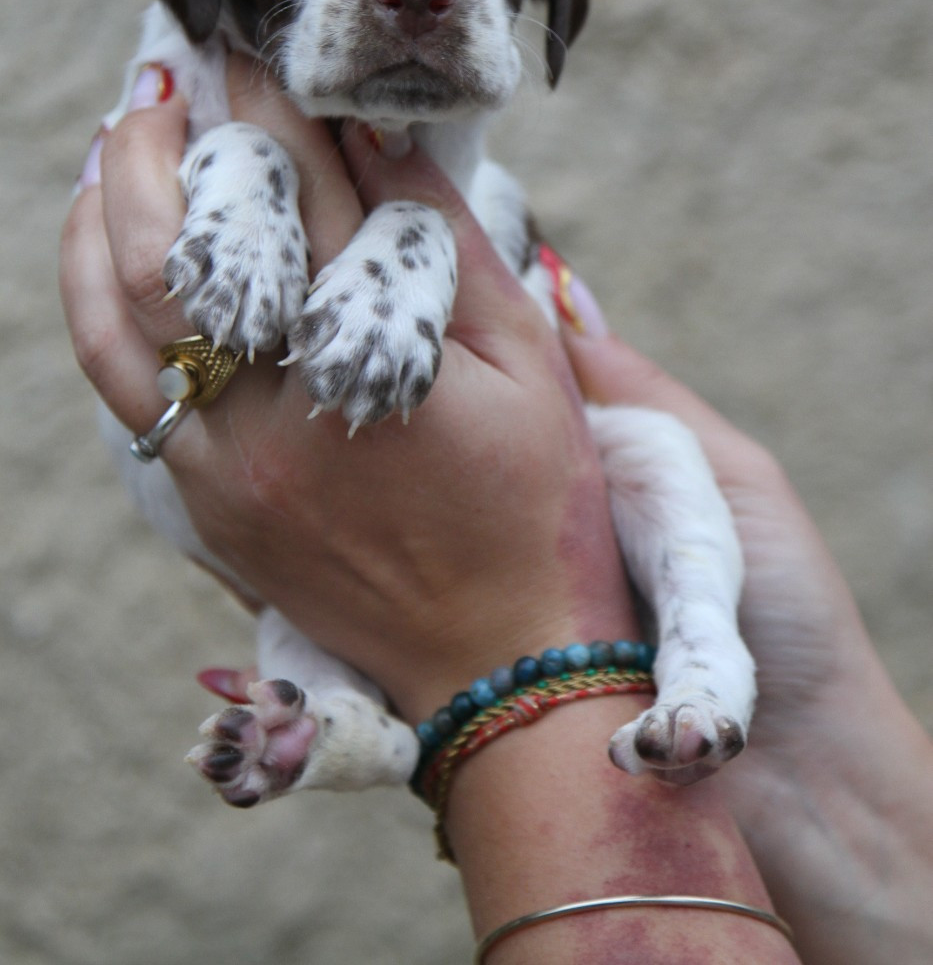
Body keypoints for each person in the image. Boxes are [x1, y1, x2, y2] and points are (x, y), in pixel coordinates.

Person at [61, 58, 933, 964]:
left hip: (562, 565)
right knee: (294, 626)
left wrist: (487, 649)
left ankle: (706, 670)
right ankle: (337, 718)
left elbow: (445, 215)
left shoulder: (453, 191)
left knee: (650, 450)